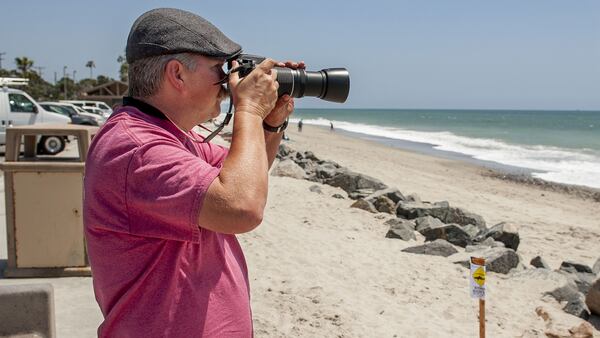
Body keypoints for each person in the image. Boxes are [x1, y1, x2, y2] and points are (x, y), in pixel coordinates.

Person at [83, 8, 302, 337]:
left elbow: (244, 177)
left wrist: (269, 122)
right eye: (219, 70)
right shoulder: (136, 150)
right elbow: (241, 208)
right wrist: (248, 108)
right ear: (177, 74)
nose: (227, 83)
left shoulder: (171, 138)